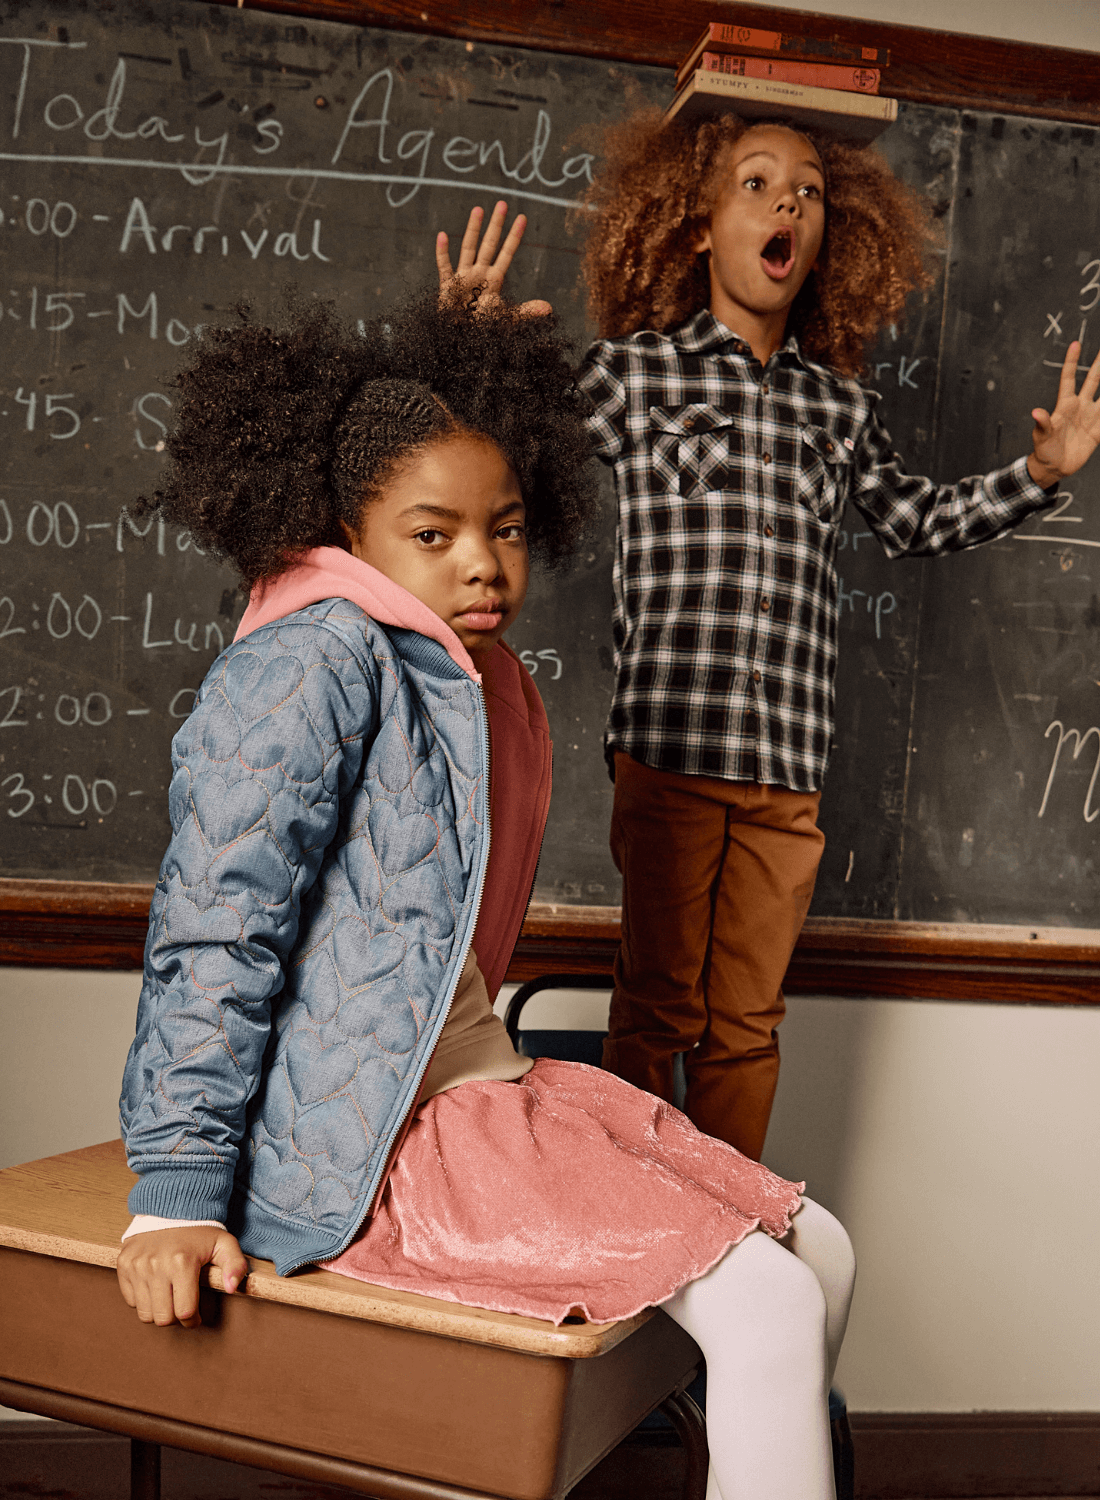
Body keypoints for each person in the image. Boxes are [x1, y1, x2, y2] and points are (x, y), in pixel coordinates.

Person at [117, 288, 857, 1500]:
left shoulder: (456, 667)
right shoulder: (313, 657)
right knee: (771, 1305)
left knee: (814, 1249)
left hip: (482, 1090)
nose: (482, 560)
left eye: (505, 527)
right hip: (373, 1147)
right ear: (346, 533)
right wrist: (176, 1198)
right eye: (434, 533)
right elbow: (214, 928)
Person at [434, 114, 1100, 1162]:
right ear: (698, 225)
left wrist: (1042, 476)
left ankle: (730, 1225)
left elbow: (914, 519)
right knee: (655, 1012)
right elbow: (498, 455)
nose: (788, 202)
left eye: (809, 192)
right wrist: (469, 345)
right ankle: (642, 1228)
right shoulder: (637, 376)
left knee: (747, 1024)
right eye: (756, 183)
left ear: (829, 237)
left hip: (787, 769)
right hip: (672, 753)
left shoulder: (838, 408)